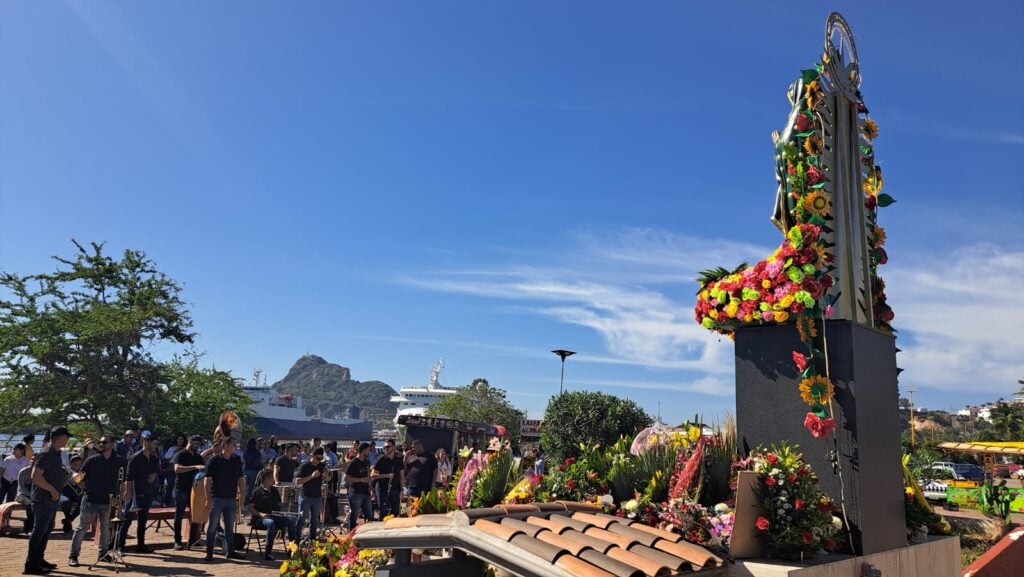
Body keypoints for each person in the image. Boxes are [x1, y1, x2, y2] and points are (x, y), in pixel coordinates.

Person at [68, 435, 122, 568]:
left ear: (113, 444)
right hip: (90, 500)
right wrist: (84, 487)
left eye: (105, 442)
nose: (101, 444)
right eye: (100, 442)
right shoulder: (92, 460)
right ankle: (73, 555)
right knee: (82, 528)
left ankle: (103, 554)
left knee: (105, 529)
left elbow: (123, 479)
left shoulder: (119, 460)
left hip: (108, 500)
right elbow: (78, 478)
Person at [24, 425, 70, 576]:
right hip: (43, 499)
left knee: (46, 530)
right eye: (66, 437)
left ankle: (39, 559)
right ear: (60, 438)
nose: (68, 440)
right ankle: (31, 564)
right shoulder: (46, 453)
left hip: (51, 499)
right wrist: (52, 489)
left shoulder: (56, 454)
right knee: (39, 531)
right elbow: (35, 476)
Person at [115, 431, 159, 555]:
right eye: (152, 442)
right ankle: (120, 546)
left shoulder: (154, 458)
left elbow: (156, 470)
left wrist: (154, 475)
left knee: (143, 520)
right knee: (127, 520)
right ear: (144, 442)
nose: (154, 445)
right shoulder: (135, 457)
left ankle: (141, 545)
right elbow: (128, 477)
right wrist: (127, 492)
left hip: (147, 492)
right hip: (135, 492)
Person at [204, 436, 246, 562]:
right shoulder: (213, 460)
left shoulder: (237, 460)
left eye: (236, 444)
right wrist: (208, 498)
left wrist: (242, 493)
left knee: (229, 526)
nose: (235, 447)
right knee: (212, 526)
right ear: (225, 446)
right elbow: (207, 480)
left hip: (231, 498)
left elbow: (240, 478)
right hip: (217, 497)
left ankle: (230, 551)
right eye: (233, 444)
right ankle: (209, 552)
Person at [248, 470, 298, 561]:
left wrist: (282, 511)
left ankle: (292, 550)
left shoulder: (274, 491)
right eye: (271, 477)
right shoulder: (257, 492)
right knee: (270, 523)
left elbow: (279, 505)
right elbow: (250, 508)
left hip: (274, 516)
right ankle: (268, 552)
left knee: (291, 521)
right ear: (266, 479)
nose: (273, 479)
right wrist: (261, 514)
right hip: (260, 518)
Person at [172, 435, 205, 550]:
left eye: (199, 444)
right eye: (196, 444)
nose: (198, 446)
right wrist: (194, 467)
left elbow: (203, 469)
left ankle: (193, 541)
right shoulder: (180, 454)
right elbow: (177, 469)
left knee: (195, 515)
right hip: (181, 488)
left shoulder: (198, 456)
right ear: (190, 442)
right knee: (179, 515)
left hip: (194, 490)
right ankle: (177, 541)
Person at [295, 446, 326, 540]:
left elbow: (328, 479)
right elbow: (297, 481)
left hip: (317, 497)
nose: (319, 460)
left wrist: (327, 475)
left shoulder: (321, 465)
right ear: (312, 455)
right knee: (301, 520)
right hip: (306, 497)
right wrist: (311, 476)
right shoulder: (305, 466)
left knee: (314, 521)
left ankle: (312, 541)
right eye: (318, 458)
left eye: (321, 458)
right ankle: (296, 540)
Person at [343, 443, 373, 530]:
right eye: (367, 450)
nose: (369, 452)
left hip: (366, 491)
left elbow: (368, 476)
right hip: (356, 492)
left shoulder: (367, 461)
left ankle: (367, 533)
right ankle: (350, 534)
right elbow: (346, 477)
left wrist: (371, 488)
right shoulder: (353, 462)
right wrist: (360, 480)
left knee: (368, 514)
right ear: (363, 450)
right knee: (354, 515)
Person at [370, 440, 402, 519]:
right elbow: (372, 475)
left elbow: (402, 475)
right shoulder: (381, 459)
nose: (386, 449)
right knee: (383, 511)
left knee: (395, 511)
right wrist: (386, 475)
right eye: (384, 447)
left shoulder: (398, 459)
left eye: (388, 447)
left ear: (393, 447)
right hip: (382, 488)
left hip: (395, 488)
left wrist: (402, 489)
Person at [60, 455, 84, 532]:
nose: (77, 466)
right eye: (75, 464)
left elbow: (83, 486)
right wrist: (69, 479)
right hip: (65, 493)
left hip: (77, 494)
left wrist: (79, 481)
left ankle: (69, 520)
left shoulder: (81, 473)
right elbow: (61, 486)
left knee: (83, 504)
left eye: (79, 464)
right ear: (70, 464)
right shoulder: (64, 472)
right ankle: (68, 520)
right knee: (65, 502)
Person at [242, 438, 262, 504]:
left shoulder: (246, 452)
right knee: (251, 487)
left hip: (246, 470)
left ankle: (242, 500)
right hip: (254, 471)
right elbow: (257, 462)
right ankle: (247, 500)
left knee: (244, 487)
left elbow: (244, 461)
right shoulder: (257, 452)